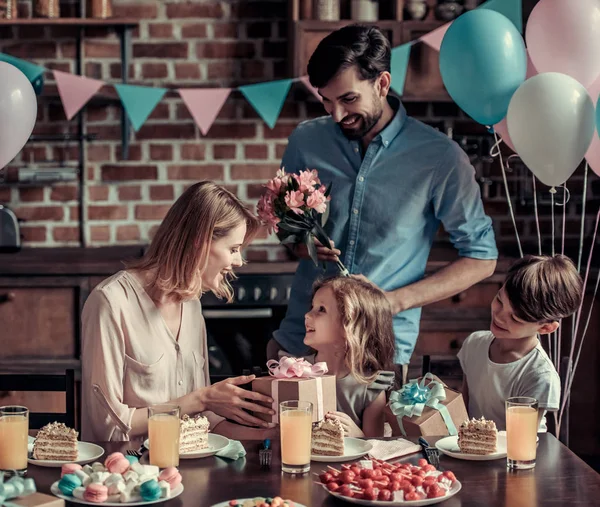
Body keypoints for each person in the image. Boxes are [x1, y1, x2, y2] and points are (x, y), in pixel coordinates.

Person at [269, 24, 498, 386]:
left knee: (375, 443)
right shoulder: (306, 140)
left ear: (382, 83)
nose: (337, 116)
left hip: (378, 355)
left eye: (348, 99)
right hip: (299, 345)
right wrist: (303, 245)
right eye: (326, 101)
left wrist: (393, 301)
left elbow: (482, 259)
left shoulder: (440, 158)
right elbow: (288, 234)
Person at [81, 181, 277, 441]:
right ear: (200, 241)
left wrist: (273, 436)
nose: (239, 261)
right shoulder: (110, 302)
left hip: (190, 469)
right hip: (128, 473)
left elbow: (202, 418)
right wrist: (201, 398)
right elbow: (109, 427)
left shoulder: (191, 304)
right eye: (233, 249)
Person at [458, 254, 583, 432]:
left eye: (515, 318)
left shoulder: (539, 375)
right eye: (500, 300)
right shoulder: (474, 344)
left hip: (516, 457)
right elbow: (463, 410)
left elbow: (521, 440)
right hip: (470, 450)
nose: (499, 316)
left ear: (546, 328)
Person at [303, 276, 395, 437]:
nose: (307, 315)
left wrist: (357, 435)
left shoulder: (370, 387)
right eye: (312, 307)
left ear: (350, 327)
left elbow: (376, 447)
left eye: (321, 309)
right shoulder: (297, 372)